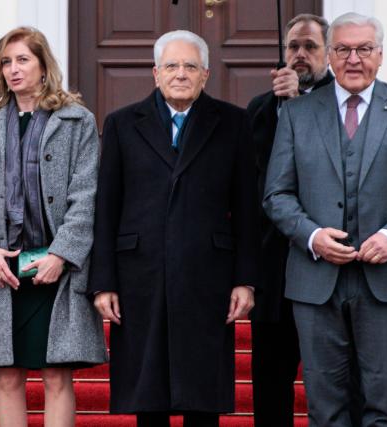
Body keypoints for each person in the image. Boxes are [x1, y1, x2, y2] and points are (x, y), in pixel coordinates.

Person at [263, 12, 387, 426]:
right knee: (325, 407)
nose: (353, 58)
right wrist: (310, 235)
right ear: (329, 55)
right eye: (343, 49)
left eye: (364, 49)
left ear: (380, 55)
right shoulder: (297, 115)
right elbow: (276, 194)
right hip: (316, 281)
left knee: (384, 403)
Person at [89, 30, 260, 427]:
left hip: (208, 275)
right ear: (155, 73)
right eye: (171, 65)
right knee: (149, 395)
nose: (180, 73)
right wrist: (104, 282)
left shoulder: (233, 123)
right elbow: (106, 207)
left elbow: (248, 209)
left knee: (202, 394)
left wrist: (246, 280)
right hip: (140, 274)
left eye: (189, 66)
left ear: (205, 74)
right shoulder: (121, 124)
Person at [0, 27, 107, 427]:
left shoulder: (77, 122)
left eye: (22, 59)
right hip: (2, 268)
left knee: (56, 374)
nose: (13, 69)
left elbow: (86, 197)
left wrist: (62, 254)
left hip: (53, 268)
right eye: (6, 62)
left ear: (44, 66)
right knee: (7, 375)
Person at [247, 14, 334, 427]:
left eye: (310, 46)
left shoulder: (345, 101)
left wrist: (301, 104)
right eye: (293, 47)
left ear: (330, 53)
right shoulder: (261, 109)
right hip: (273, 270)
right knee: (270, 384)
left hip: (326, 266)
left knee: (330, 382)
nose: (300, 55)